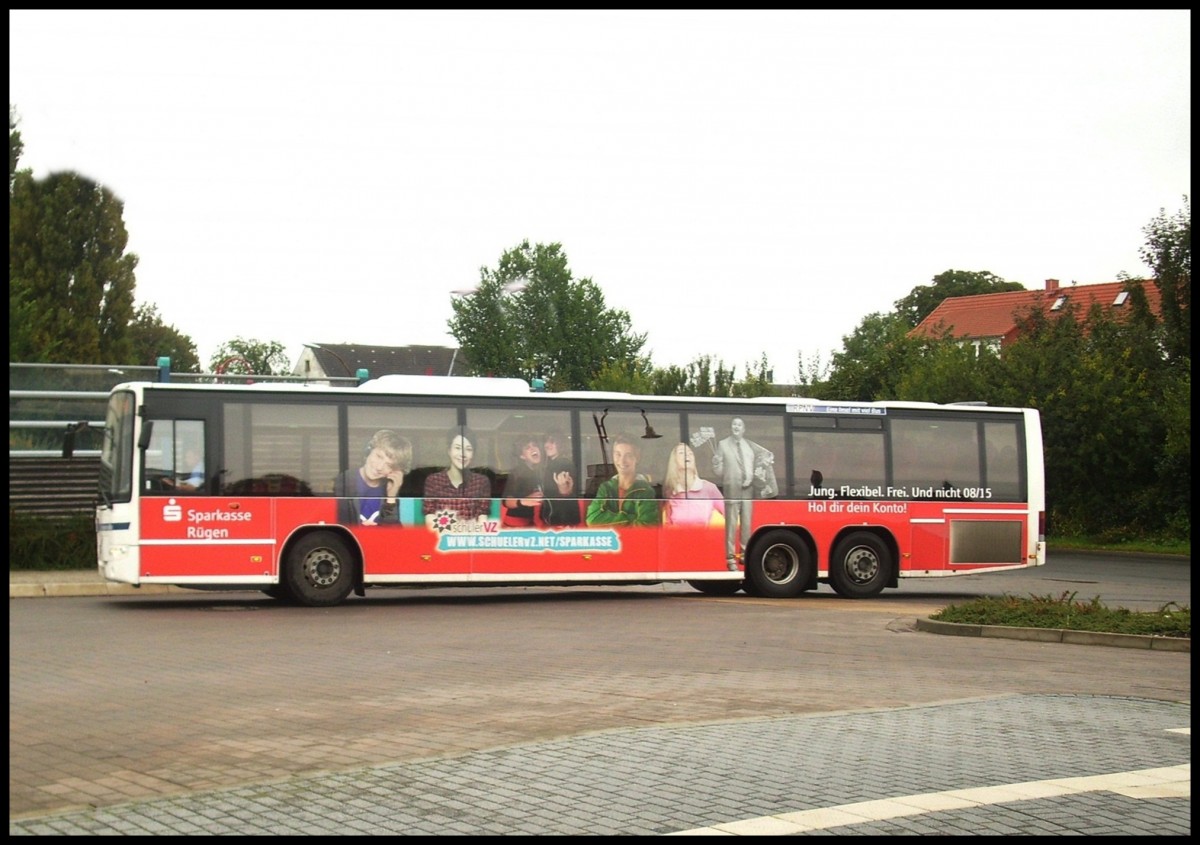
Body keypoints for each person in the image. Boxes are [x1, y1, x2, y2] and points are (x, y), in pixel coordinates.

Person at [711, 417, 778, 570]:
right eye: (734, 424)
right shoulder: (723, 444)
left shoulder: (749, 446)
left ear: (743, 429)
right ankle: (730, 559)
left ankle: (744, 554)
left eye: (739, 424)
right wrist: (716, 463)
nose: (736, 426)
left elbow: (756, 466)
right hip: (732, 490)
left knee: (747, 525)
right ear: (731, 427)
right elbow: (718, 472)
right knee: (731, 526)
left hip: (748, 491)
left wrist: (751, 477)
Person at [334, 429, 413, 526]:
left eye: (389, 465)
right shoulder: (346, 479)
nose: (379, 467)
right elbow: (341, 523)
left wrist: (391, 498)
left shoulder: (389, 488)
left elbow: (393, 534)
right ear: (368, 452)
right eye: (378, 456)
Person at [423, 427, 493, 530]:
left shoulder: (481, 482)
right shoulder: (433, 480)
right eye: (457, 448)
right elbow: (430, 516)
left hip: (470, 539)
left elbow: (482, 516)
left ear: (473, 454)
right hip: (442, 539)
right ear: (449, 450)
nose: (463, 454)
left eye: (468, 449)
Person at [585, 433, 659, 527]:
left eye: (628, 455)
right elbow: (593, 520)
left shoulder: (645, 490)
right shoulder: (606, 487)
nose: (622, 461)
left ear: (637, 458)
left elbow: (646, 525)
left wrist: (610, 521)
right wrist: (632, 518)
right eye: (618, 454)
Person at [662, 442, 725, 526]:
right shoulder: (671, 492)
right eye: (681, 452)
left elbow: (730, 516)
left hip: (703, 538)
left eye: (690, 453)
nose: (687, 455)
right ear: (674, 461)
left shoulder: (709, 488)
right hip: (677, 538)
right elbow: (667, 525)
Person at [540, 430, 582, 526]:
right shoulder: (552, 464)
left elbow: (566, 493)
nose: (547, 445)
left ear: (561, 444)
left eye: (552, 441)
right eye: (546, 441)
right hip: (557, 517)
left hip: (561, 518)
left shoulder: (563, 464)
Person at [502, 436, 545, 526]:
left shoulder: (537, 472)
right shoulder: (518, 473)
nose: (533, 448)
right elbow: (506, 501)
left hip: (529, 523)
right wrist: (523, 501)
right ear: (522, 456)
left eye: (535, 445)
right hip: (514, 525)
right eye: (528, 448)